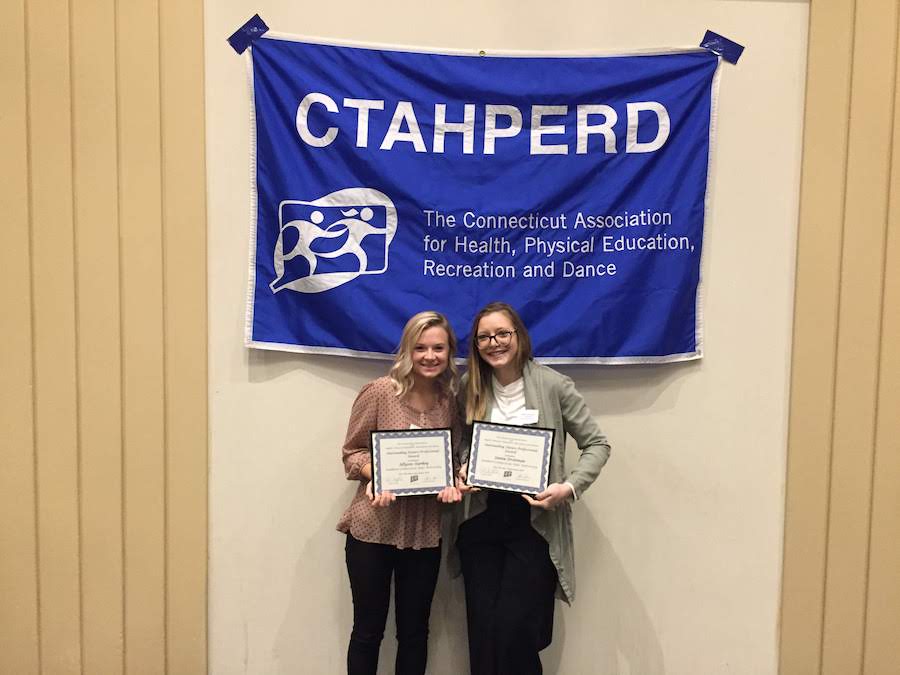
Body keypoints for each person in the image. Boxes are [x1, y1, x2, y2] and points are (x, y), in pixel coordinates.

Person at [451, 301, 611, 675]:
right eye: (484, 337)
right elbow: (461, 442)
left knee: (515, 632)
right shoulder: (468, 386)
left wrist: (568, 488)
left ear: (519, 336)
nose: (494, 343)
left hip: (534, 525)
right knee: (483, 633)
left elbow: (598, 444)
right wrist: (462, 467)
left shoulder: (553, 385)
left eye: (502, 333)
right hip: (481, 522)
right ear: (475, 345)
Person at [337, 311, 463, 675]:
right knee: (367, 632)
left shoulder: (449, 401)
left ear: (449, 351)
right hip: (373, 528)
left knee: (415, 634)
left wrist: (455, 480)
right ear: (407, 349)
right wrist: (377, 473)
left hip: (424, 533)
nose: (429, 356)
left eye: (438, 348)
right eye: (420, 347)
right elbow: (351, 453)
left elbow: (450, 458)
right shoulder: (379, 392)